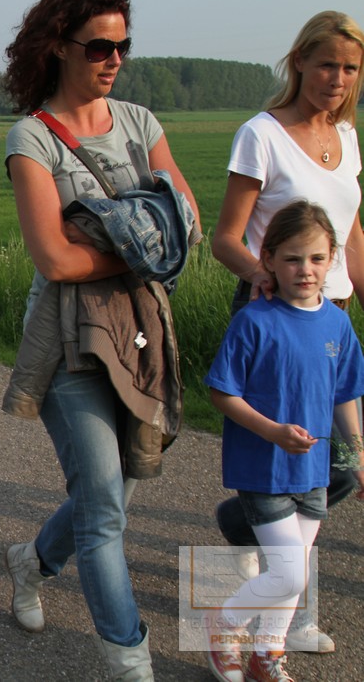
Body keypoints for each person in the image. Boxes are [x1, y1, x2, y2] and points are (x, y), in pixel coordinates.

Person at [0, 0, 199, 678]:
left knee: (113, 489)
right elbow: (55, 260)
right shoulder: (31, 137)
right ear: (60, 46)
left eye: (122, 47)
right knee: (106, 508)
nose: (113, 60)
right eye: (99, 47)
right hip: (67, 341)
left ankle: (31, 562)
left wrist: (123, 244)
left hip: (140, 334)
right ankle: (129, 659)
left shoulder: (140, 123)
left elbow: (189, 221)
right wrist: (142, 247)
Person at [209, 10, 364, 655]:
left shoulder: (346, 135)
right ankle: (287, 615)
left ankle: (249, 528)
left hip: (331, 314)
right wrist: (262, 275)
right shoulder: (262, 135)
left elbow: (350, 235)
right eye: (326, 64)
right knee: (302, 459)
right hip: (272, 309)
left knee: (339, 467)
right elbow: (225, 237)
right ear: (299, 61)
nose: (338, 79)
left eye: (350, 68)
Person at [204, 201, 364, 682]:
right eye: (292, 259)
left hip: (312, 471)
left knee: (292, 572)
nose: (305, 270)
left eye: (316, 258)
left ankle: (266, 655)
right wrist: (272, 431)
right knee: (289, 572)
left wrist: (356, 459)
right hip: (263, 468)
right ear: (269, 259)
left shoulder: (337, 324)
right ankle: (223, 626)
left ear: (332, 259)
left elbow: (345, 396)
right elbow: (221, 392)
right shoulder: (255, 321)